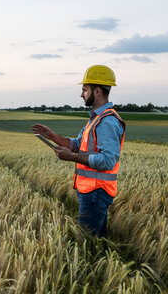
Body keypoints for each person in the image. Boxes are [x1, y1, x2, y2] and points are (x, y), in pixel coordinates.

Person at [31, 65, 125, 237]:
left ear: (97, 91)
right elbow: (77, 144)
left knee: (88, 244)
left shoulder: (107, 121)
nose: (81, 94)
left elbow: (107, 161)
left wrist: (72, 158)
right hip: (89, 191)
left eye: (84, 90)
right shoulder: (95, 119)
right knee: (96, 242)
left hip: (96, 192)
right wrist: (53, 136)